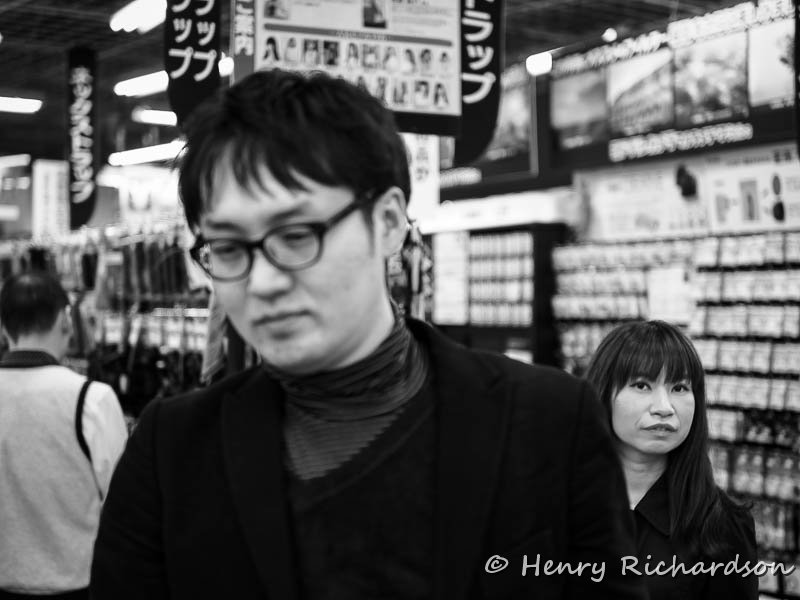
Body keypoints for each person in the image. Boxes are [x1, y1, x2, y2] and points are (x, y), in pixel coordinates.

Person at [90, 69, 645, 600]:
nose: (262, 282)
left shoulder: (550, 423)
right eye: (229, 248)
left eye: (296, 234)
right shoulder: (171, 454)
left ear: (388, 223)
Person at [585, 320, 759, 600]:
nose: (664, 408)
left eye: (679, 388)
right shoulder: (558, 504)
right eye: (642, 385)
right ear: (604, 393)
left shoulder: (722, 525)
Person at [0, 272, 127, 600]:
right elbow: (123, 501)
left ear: (3, 328)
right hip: (79, 584)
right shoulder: (92, 399)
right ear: (64, 320)